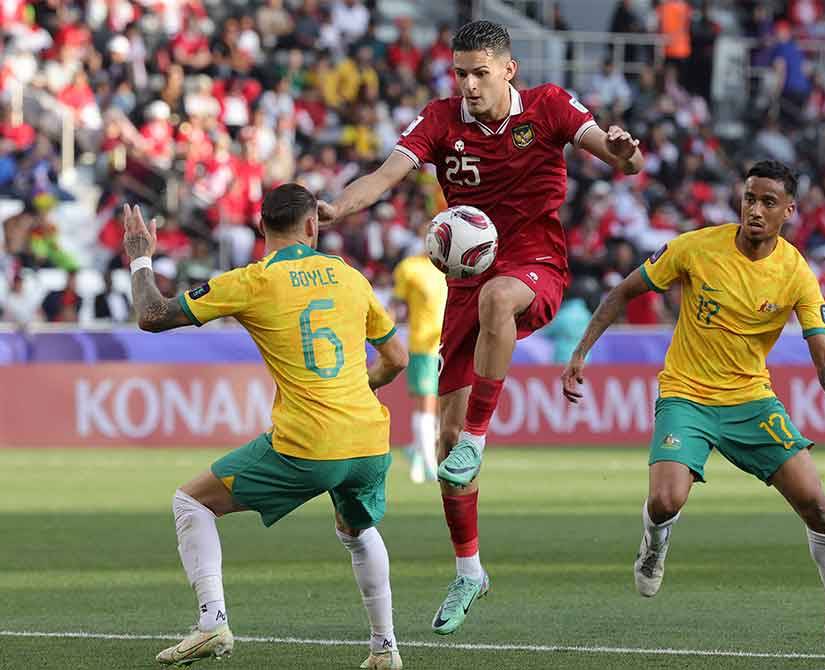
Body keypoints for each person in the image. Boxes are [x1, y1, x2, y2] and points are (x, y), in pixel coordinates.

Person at [318, 19, 644, 635]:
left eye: (480, 73)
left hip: (536, 265)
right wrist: (336, 206)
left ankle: (479, 436)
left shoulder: (548, 106)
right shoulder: (441, 119)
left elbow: (619, 156)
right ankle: (469, 570)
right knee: (443, 444)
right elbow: (385, 176)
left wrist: (624, 151)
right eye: (460, 73)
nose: (468, 85)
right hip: (465, 284)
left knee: (497, 307)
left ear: (508, 70)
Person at [561, 160, 825, 639]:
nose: (755, 210)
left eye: (768, 202)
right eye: (750, 198)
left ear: (789, 210)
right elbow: (623, 291)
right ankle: (654, 543)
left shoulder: (796, 273)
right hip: (686, 394)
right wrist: (580, 352)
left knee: (815, 503)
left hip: (751, 400)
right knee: (665, 500)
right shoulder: (696, 247)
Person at [121, 183, 408, 669]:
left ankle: (212, 622)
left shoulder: (253, 280)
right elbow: (397, 358)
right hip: (368, 440)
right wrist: (358, 389)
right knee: (357, 530)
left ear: (261, 227)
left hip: (309, 443)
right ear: (313, 225)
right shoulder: (350, 276)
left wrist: (139, 257)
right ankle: (385, 648)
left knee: (191, 502)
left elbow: (152, 315)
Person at [392, 232, 448, 483]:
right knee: (425, 403)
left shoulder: (447, 269)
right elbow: (396, 304)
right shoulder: (410, 268)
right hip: (423, 345)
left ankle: (416, 451)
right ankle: (429, 464)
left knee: (440, 407)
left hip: (446, 345)